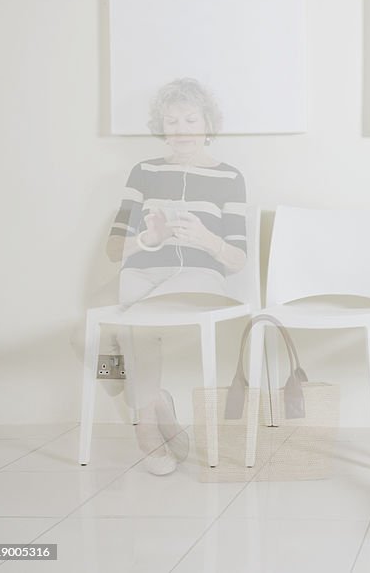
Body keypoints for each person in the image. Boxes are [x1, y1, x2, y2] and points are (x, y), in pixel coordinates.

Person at [106, 78, 247, 476]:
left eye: (190, 119)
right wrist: (148, 239)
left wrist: (207, 239)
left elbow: (238, 260)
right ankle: (155, 403)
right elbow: (114, 249)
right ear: (161, 126)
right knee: (107, 330)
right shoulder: (144, 171)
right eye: (172, 120)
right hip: (142, 272)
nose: (181, 129)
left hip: (199, 276)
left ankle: (147, 424)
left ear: (207, 123)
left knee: (131, 323)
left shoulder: (229, 177)